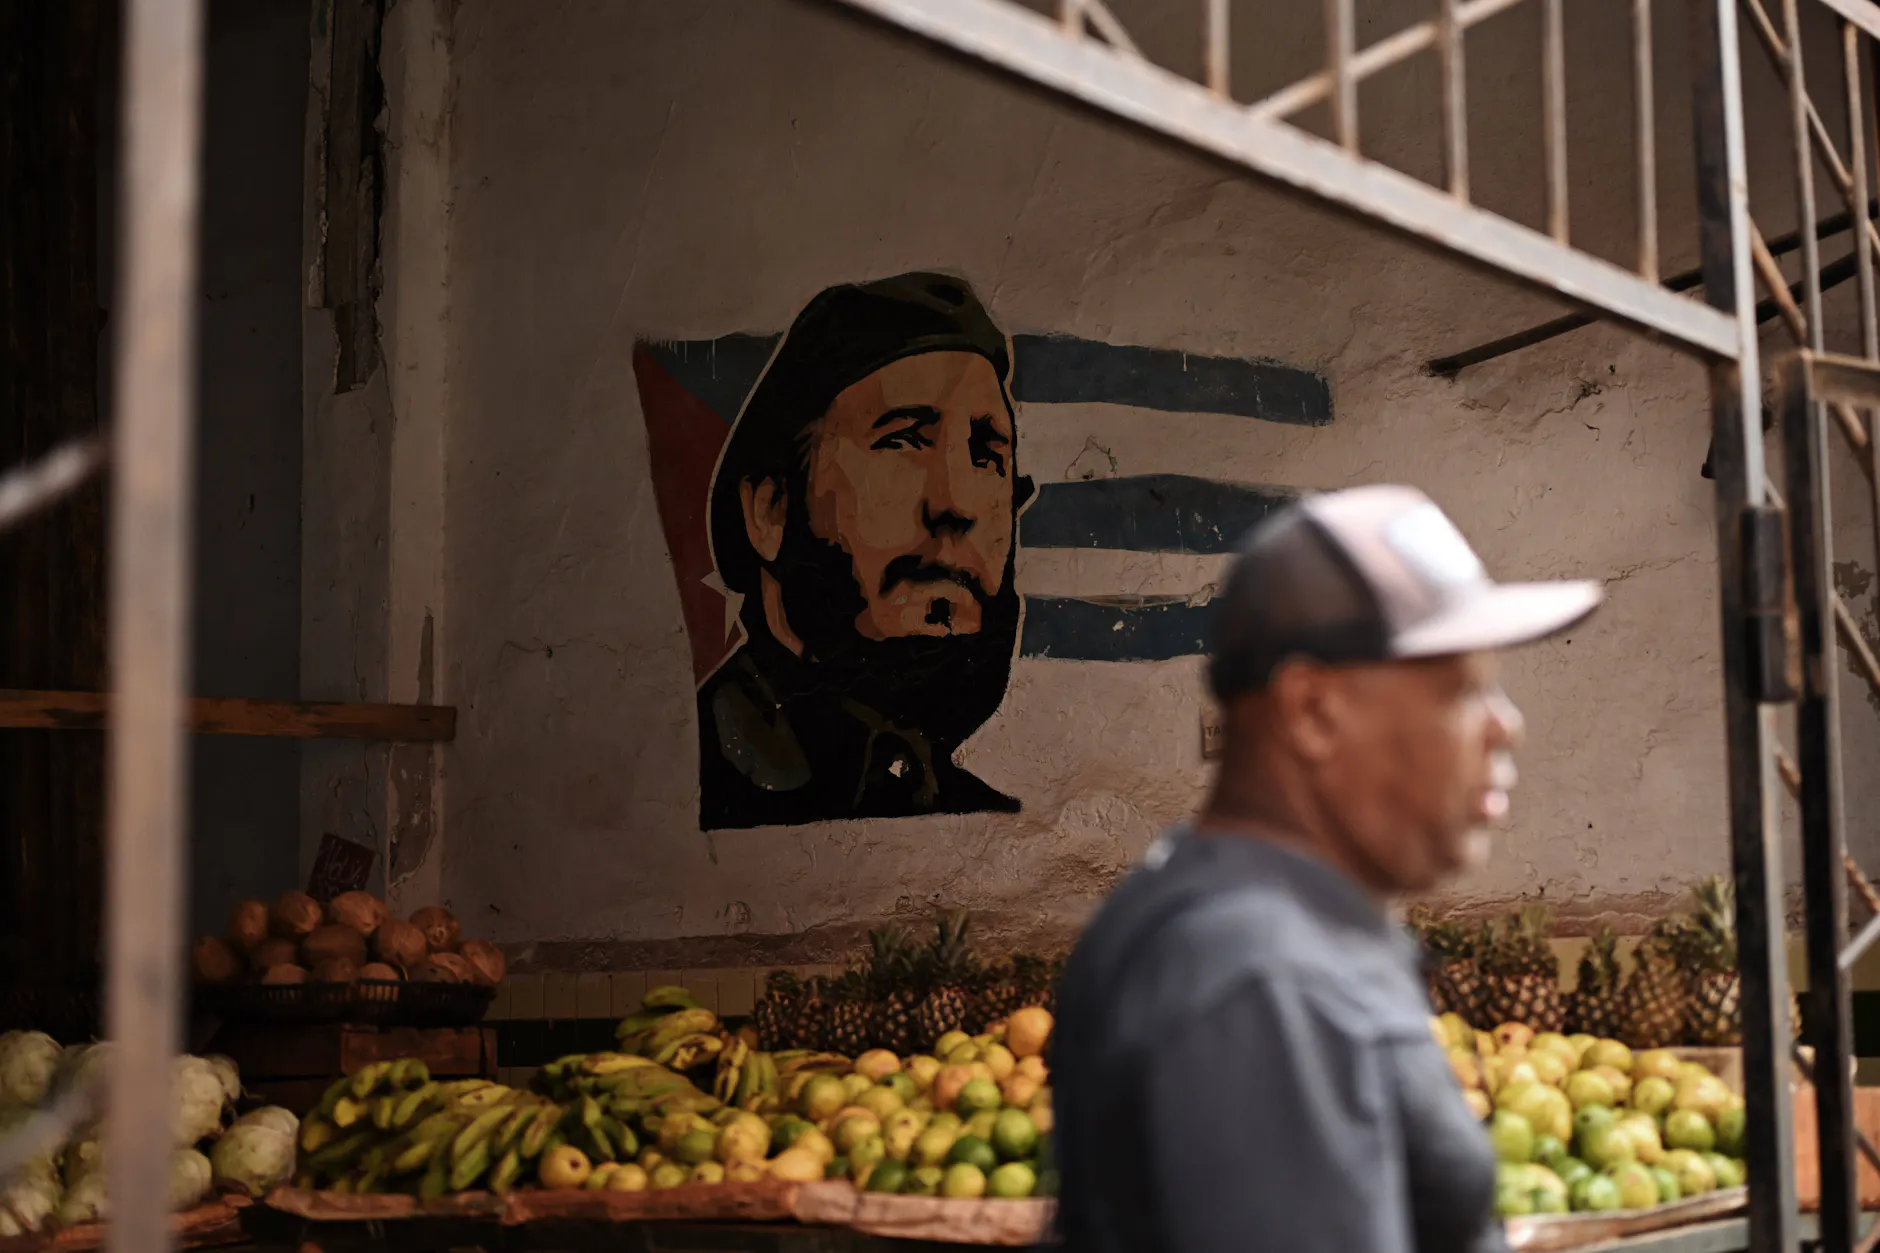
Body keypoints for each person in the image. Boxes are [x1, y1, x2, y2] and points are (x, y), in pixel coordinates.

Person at [1052, 484, 1602, 1253]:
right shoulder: (1266, 983)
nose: (1506, 723)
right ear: (1311, 709)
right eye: (1462, 687)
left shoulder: (1231, 913)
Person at [697, 272, 1032, 830]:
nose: (955, 503)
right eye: (902, 440)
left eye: (987, 454)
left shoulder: (965, 813)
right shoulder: (707, 773)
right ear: (770, 510)